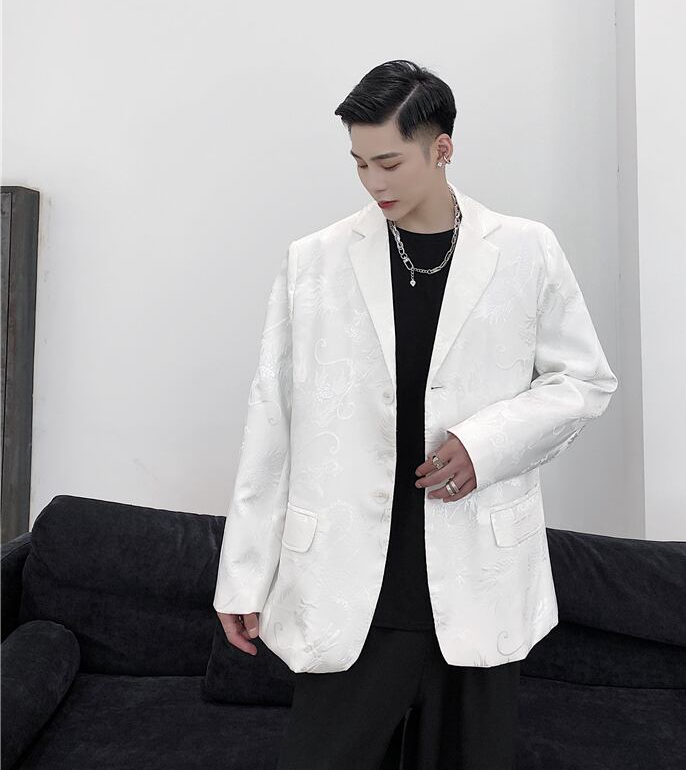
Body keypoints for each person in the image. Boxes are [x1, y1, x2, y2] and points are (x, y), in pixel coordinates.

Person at [213, 59, 618, 769]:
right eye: (359, 164)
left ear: (442, 149)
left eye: (390, 162)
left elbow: (583, 381)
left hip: (478, 572)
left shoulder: (525, 250)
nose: (374, 183)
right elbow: (271, 419)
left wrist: (485, 444)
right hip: (348, 581)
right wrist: (244, 573)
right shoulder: (313, 261)